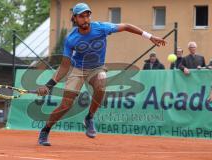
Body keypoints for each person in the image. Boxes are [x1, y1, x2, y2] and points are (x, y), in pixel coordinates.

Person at [36, 2, 166, 146]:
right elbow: (65, 66)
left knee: (101, 82)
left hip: (97, 68)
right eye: (81, 16)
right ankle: (45, 130)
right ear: (75, 18)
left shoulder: (101, 28)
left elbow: (127, 26)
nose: (85, 19)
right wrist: (49, 85)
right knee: (66, 105)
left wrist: (150, 36)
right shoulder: (71, 39)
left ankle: (90, 117)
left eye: (87, 15)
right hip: (78, 69)